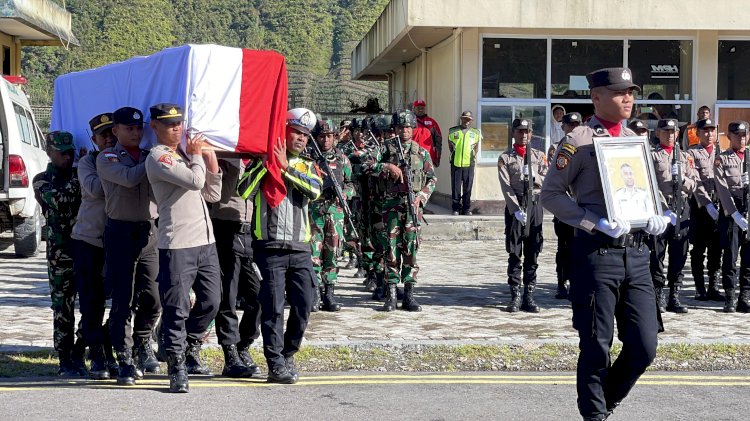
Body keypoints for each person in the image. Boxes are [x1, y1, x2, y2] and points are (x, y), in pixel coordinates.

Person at [541, 67, 670, 420]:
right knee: (597, 345)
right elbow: (550, 194)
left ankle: (604, 402)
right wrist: (592, 221)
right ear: (596, 97)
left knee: (644, 346)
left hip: (637, 253)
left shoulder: (635, 140)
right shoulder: (578, 141)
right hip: (597, 253)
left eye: (631, 91)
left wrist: (657, 215)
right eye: (619, 92)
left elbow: (646, 193)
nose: (628, 98)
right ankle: (594, 415)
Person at [237, 107, 322, 384]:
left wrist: (285, 167)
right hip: (269, 248)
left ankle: (288, 353)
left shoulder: (307, 166)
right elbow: (243, 190)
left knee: (304, 304)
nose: (301, 139)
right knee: (272, 308)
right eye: (297, 132)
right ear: (282, 132)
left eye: (306, 135)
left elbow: (314, 190)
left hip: (300, 249)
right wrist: (268, 163)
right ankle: (274, 362)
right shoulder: (261, 163)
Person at [145, 103, 222, 392]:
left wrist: (209, 156)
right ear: (155, 127)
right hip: (177, 244)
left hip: (206, 241)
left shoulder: (184, 154)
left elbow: (211, 192)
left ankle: (180, 343)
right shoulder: (158, 157)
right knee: (177, 308)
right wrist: (198, 153)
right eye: (168, 124)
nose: (176, 128)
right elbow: (194, 180)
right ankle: (177, 365)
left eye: (179, 123)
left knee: (212, 301)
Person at [97, 106, 162, 386]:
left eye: (139, 128)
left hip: (149, 232)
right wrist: (156, 162)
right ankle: (123, 357)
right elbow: (128, 178)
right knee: (123, 300)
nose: (136, 133)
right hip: (120, 232)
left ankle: (141, 344)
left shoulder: (150, 156)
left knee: (154, 297)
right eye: (129, 128)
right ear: (116, 131)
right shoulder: (107, 157)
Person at [362, 110, 437, 312]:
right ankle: (391, 294)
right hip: (390, 208)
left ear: (413, 129)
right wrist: (386, 166)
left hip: (412, 209)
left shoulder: (421, 152)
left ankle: (410, 295)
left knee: (411, 251)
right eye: (400, 127)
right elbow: (366, 166)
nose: (404, 130)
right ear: (394, 129)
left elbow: (432, 179)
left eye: (407, 127)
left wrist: (421, 197)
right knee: (391, 250)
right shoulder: (385, 149)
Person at [71, 113, 119, 380]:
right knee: (92, 304)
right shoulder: (88, 162)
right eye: (104, 135)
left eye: (113, 133)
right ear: (94, 139)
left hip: (117, 243)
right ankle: (98, 356)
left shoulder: (128, 159)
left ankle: (104, 349)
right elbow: (95, 189)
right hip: (88, 242)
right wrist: (117, 168)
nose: (109, 139)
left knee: (122, 304)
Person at [33, 131, 83, 377]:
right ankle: (64, 358)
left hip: (85, 249)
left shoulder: (79, 174)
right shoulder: (42, 180)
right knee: (62, 308)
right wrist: (81, 175)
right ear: (49, 152)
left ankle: (82, 351)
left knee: (91, 304)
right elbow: (63, 201)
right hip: (59, 253)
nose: (67, 156)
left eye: (70, 152)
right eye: (61, 152)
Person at [210, 155, 263, 378]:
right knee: (227, 297)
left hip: (253, 230)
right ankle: (230, 353)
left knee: (259, 295)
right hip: (225, 226)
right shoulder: (223, 155)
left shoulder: (259, 159)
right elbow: (216, 194)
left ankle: (244, 345)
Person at [647, 119, 698, 314]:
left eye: (673, 131)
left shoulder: (685, 157)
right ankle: (657, 296)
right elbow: (650, 184)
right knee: (657, 253)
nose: (670, 134)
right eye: (666, 131)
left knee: (679, 253)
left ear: (677, 134)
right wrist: (664, 208)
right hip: (660, 208)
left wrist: (683, 178)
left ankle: (673, 296)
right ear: (658, 133)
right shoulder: (652, 156)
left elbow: (694, 185)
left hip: (681, 208)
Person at [498, 118, 548, 312]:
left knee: (533, 250)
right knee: (515, 250)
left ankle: (529, 295)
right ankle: (515, 296)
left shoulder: (539, 156)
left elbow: (548, 179)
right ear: (513, 133)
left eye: (527, 131)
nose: (524, 135)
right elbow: (505, 185)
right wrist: (516, 209)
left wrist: (535, 176)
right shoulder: (506, 157)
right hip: (516, 206)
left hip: (535, 205)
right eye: (520, 131)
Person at [309, 118, 355, 311]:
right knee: (314, 253)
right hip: (315, 212)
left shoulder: (342, 158)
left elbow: (351, 184)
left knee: (333, 254)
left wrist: (345, 193)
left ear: (335, 137)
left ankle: (330, 294)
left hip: (335, 213)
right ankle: (315, 294)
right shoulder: (310, 158)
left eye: (329, 136)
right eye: (322, 136)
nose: (325, 140)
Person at [686, 118, 725, 302]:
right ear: (699, 133)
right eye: (705, 131)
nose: (709, 134)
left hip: (719, 206)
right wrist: (706, 203)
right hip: (700, 207)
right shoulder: (691, 153)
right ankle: (699, 287)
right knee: (699, 249)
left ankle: (713, 287)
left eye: (712, 131)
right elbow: (695, 180)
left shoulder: (722, 153)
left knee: (716, 249)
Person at [714, 120, 750, 313]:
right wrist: (734, 214)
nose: (741, 139)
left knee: (749, 256)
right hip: (731, 211)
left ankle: (745, 295)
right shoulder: (722, 159)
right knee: (730, 254)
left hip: (749, 207)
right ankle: (730, 296)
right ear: (729, 137)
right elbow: (722, 188)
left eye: (744, 135)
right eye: (737, 135)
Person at [547, 112, 581, 300]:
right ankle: (562, 282)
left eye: (577, 125)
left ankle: (576, 281)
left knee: (579, 247)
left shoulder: (585, 146)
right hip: (565, 205)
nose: (574, 128)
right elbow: (556, 180)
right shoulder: (558, 148)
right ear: (563, 127)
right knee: (564, 247)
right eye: (571, 125)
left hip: (582, 206)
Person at [447, 111, 482, 215]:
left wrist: (471, 156)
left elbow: (476, 148)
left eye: (468, 119)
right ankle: (456, 208)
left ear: (471, 120)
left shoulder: (476, 132)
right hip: (456, 163)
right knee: (456, 187)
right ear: (461, 118)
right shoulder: (452, 131)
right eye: (465, 118)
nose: (466, 121)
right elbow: (450, 146)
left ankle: (466, 208)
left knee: (468, 187)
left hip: (469, 163)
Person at [413, 99, 443, 167]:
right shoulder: (410, 122)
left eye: (422, 108)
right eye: (418, 108)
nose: (420, 110)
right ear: (414, 108)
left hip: (428, 156)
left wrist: (437, 157)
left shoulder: (432, 122)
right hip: (413, 155)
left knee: (428, 176)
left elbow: (438, 140)